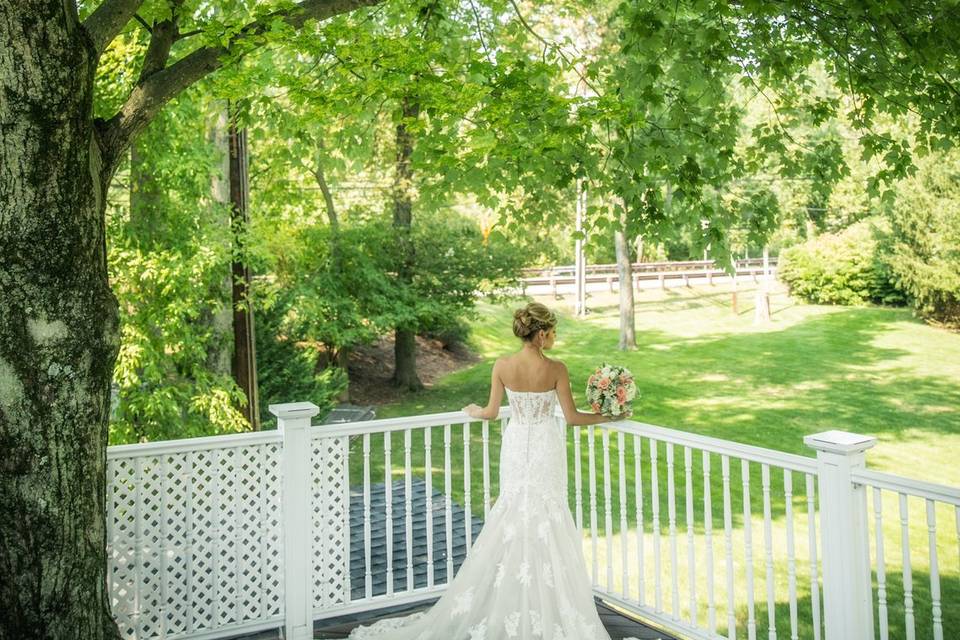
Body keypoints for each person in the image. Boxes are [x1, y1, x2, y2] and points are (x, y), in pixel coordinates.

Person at [349, 302, 631, 640]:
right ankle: (546, 605)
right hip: (544, 445)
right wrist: (609, 415)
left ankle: (509, 601)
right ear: (541, 335)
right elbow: (571, 418)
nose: (555, 337)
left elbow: (491, 411)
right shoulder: (557, 369)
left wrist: (473, 410)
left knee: (512, 514)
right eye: (553, 331)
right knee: (548, 514)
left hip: (516, 446)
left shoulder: (503, 365)